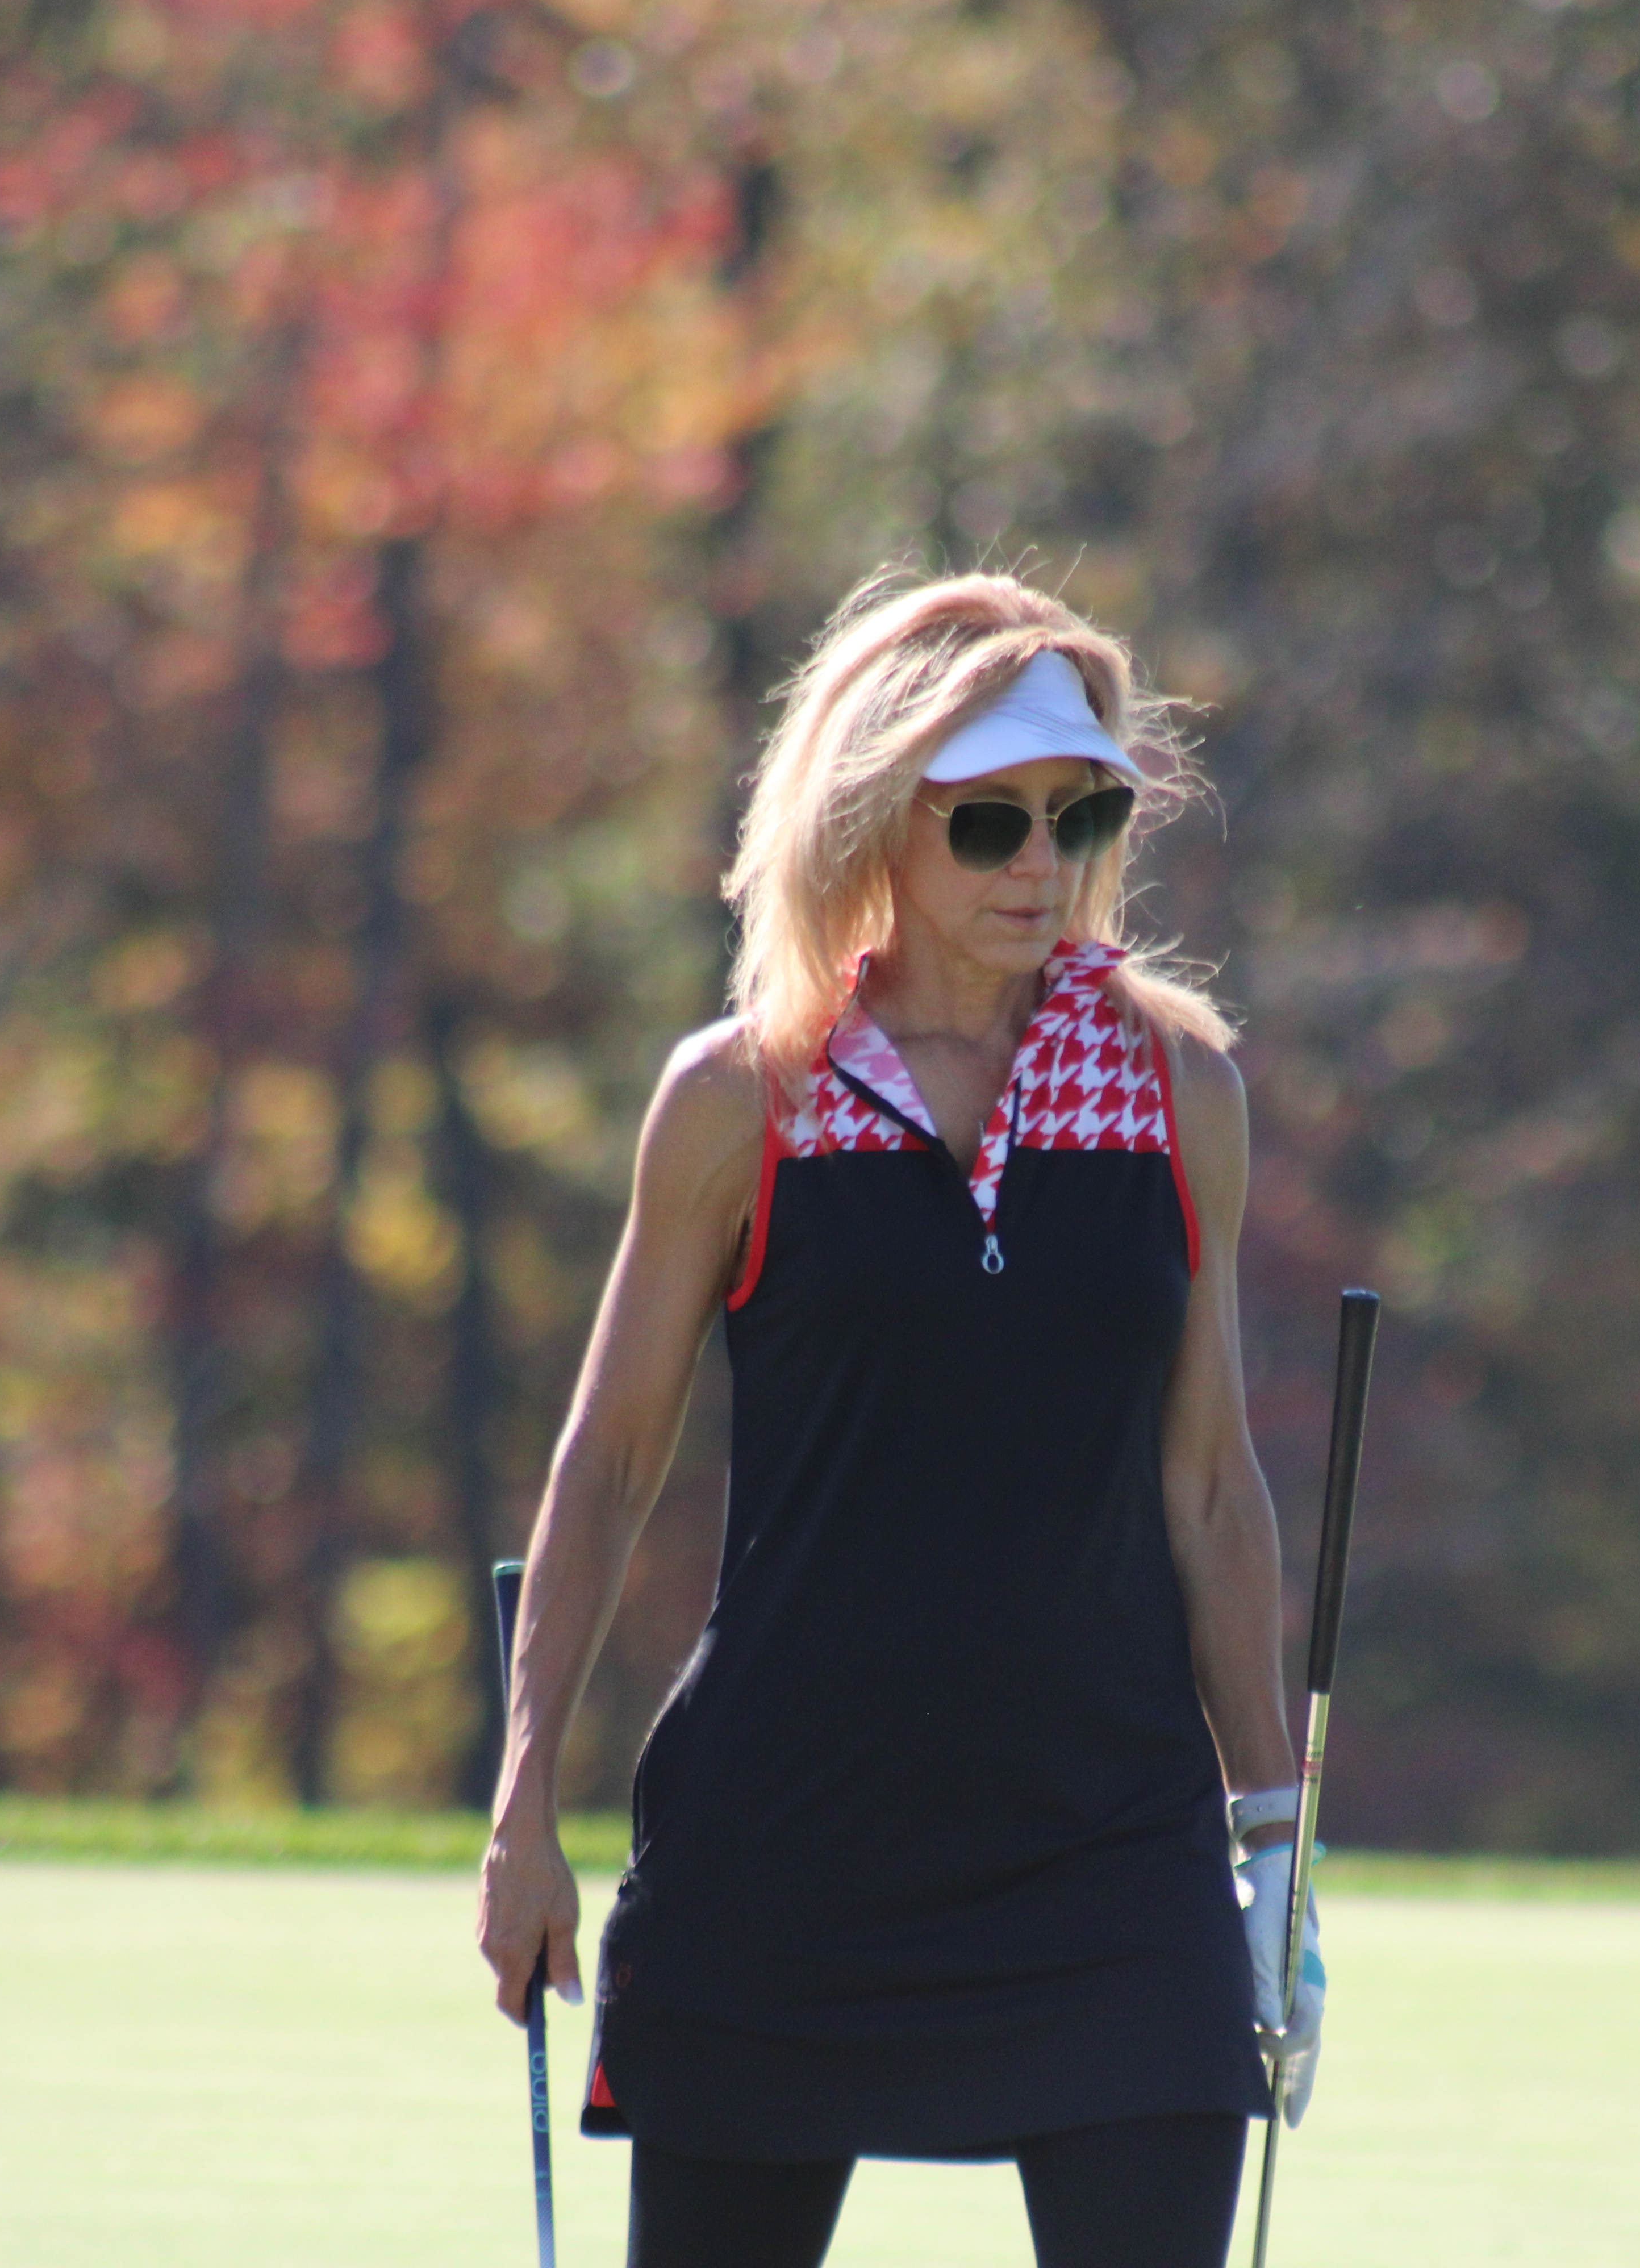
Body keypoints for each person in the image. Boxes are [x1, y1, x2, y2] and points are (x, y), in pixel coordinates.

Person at [474, 570, 1324, 2268]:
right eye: (991, 823)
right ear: (879, 818)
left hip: (1111, 1854)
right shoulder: (745, 1098)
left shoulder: (1179, 1092)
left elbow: (1211, 1489)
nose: (1040, 866)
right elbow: (611, 1459)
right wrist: (521, 1808)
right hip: (782, 1851)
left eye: (1081, 818)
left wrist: (1272, 1839)